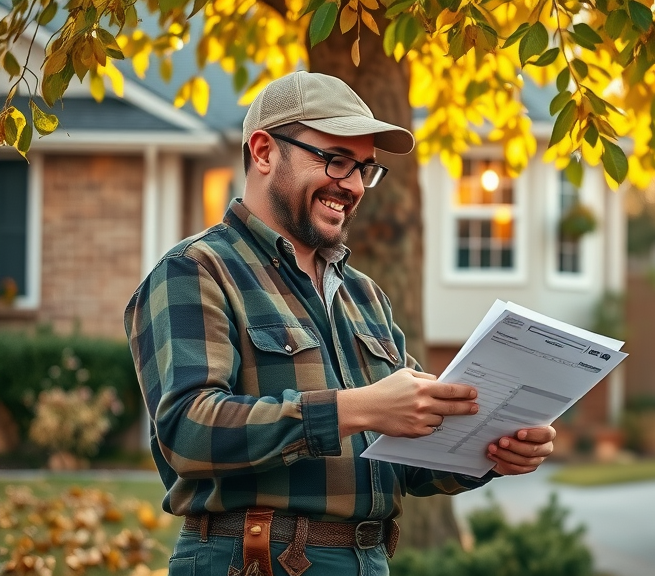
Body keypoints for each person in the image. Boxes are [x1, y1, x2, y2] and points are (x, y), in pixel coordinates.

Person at [124, 71, 556, 576]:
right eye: (335, 160)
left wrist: (491, 451)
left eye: (363, 169)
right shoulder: (196, 270)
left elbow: (409, 461)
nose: (351, 185)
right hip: (251, 560)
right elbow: (187, 434)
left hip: (367, 560)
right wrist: (355, 409)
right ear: (263, 152)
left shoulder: (363, 295)